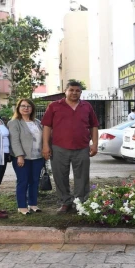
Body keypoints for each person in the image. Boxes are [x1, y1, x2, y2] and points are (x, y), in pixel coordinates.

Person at [42, 81, 99, 214]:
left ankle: (81, 202)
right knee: (60, 176)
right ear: (65, 91)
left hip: (82, 147)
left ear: (81, 92)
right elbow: (47, 126)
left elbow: (94, 126)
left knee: (82, 176)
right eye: (71, 90)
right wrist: (45, 145)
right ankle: (65, 202)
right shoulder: (54, 106)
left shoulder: (87, 106)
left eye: (77, 91)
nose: (74, 93)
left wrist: (95, 143)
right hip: (59, 147)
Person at [9, 98, 46, 215]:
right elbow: (14, 141)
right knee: (23, 181)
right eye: (23, 106)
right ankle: (21, 206)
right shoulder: (14, 122)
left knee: (34, 181)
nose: (26, 108)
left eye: (28, 106)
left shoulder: (37, 122)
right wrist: (19, 155)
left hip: (37, 157)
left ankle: (33, 204)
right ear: (18, 108)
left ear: (32, 109)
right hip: (22, 157)